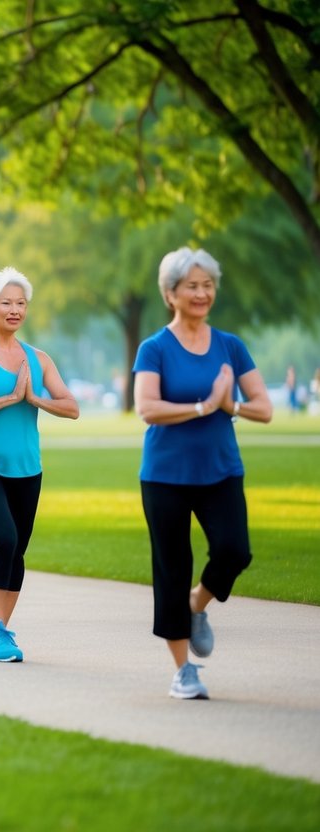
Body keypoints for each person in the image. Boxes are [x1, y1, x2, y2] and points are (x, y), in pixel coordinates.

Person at [133, 247, 272, 700]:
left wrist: (229, 406)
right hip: (166, 475)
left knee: (235, 551)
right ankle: (183, 670)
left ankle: (198, 605)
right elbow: (147, 408)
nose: (202, 293)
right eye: (191, 286)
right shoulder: (154, 348)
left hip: (220, 470)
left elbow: (264, 408)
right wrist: (202, 407)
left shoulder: (230, 345)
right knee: (173, 568)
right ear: (171, 293)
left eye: (208, 285)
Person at [0, 267, 78, 662]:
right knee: (3, 538)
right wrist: (10, 398)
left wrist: (34, 399)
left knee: (17, 548)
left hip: (26, 466)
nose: (15, 310)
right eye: (6, 303)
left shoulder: (38, 359)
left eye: (21, 303)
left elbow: (71, 407)